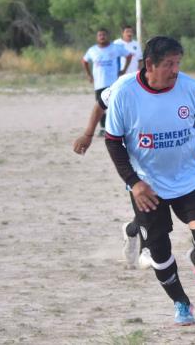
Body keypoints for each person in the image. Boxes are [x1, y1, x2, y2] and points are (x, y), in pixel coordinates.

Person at [104, 36, 195, 325]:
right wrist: (134, 182)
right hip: (147, 184)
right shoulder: (124, 93)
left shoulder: (190, 88)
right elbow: (113, 142)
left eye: (178, 63)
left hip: (188, 177)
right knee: (159, 249)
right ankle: (182, 303)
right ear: (149, 65)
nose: (175, 70)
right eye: (169, 64)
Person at [72, 81, 153, 270]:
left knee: (158, 208)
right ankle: (146, 251)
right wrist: (88, 135)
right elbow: (100, 104)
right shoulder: (124, 85)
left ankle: (130, 230)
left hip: (163, 156)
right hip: (136, 156)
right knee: (149, 209)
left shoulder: (173, 83)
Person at [82, 28, 132, 136]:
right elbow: (84, 61)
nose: (102, 37)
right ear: (97, 37)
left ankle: (117, 128)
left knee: (114, 106)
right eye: (100, 35)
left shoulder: (115, 48)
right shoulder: (92, 50)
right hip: (99, 83)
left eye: (104, 34)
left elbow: (129, 55)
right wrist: (89, 75)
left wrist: (123, 70)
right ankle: (103, 128)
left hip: (113, 83)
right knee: (100, 106)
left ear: (108, 36)